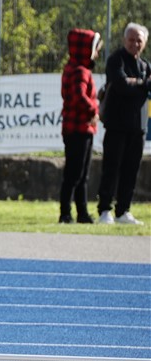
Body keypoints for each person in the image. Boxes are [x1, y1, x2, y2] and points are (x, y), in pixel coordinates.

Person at [97, 22, 150, 225]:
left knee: (131, 170)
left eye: (139, 40)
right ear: (124, 40)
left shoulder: (145, 65)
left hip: (138, 127)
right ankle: (104, 210)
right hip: (116, 125)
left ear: (144, 43)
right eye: (131, 39)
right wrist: (142, 84)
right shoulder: (115, 60)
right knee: (111, 168)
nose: (135, 44)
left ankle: (123, 210)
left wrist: (135, 83)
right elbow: (121, 85)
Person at [59, 29, 102, 224]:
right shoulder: (80, 71)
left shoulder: (74, 68)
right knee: (76, 174)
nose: (97, 54)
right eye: (95, 49)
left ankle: (81, 212)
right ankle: (66, 213)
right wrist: (94, 109)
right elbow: (79, 96)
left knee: (80, 174)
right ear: (86, 49)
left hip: (78, 128)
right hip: (78, 128)